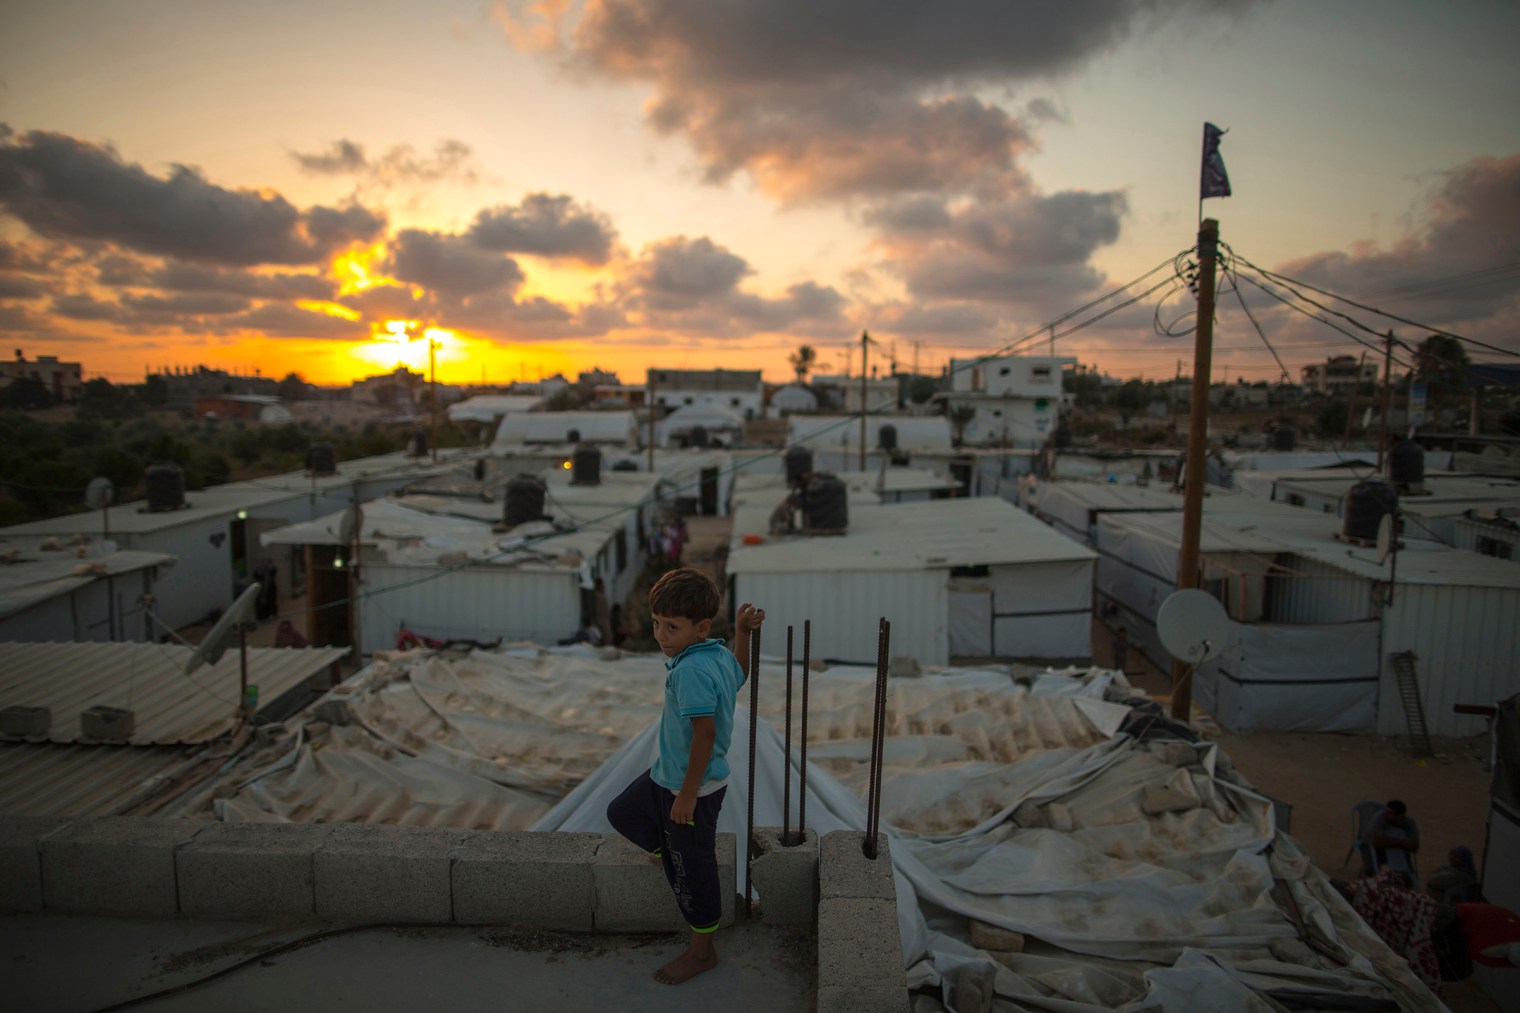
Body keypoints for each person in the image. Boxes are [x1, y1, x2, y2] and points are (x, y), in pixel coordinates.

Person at [605, 567, 764, 985]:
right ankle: (670, 853)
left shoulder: (691, 670)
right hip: (667, 776)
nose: (660, 634)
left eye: (671, 627)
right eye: (657, 623)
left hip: (690, 785)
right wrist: (743, 634)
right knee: (622, 813)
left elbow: (705, 733)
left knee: (695, 872)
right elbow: (740, 676)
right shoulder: (712, 654)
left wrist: (688, 796)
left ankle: (701, 952)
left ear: (702, 627)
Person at [1366, 799, 1420, 883]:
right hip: (1378, 851)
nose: (1386, 814)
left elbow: (1414, 846)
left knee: (1408, 875)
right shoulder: (1380, 818)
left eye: (1390, 813)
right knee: (1369, 867)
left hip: (1400, 853)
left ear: (1400, 816)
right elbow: (1375, 842)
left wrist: (1387, 840)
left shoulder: (1409, 823)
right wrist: (1400, 842)